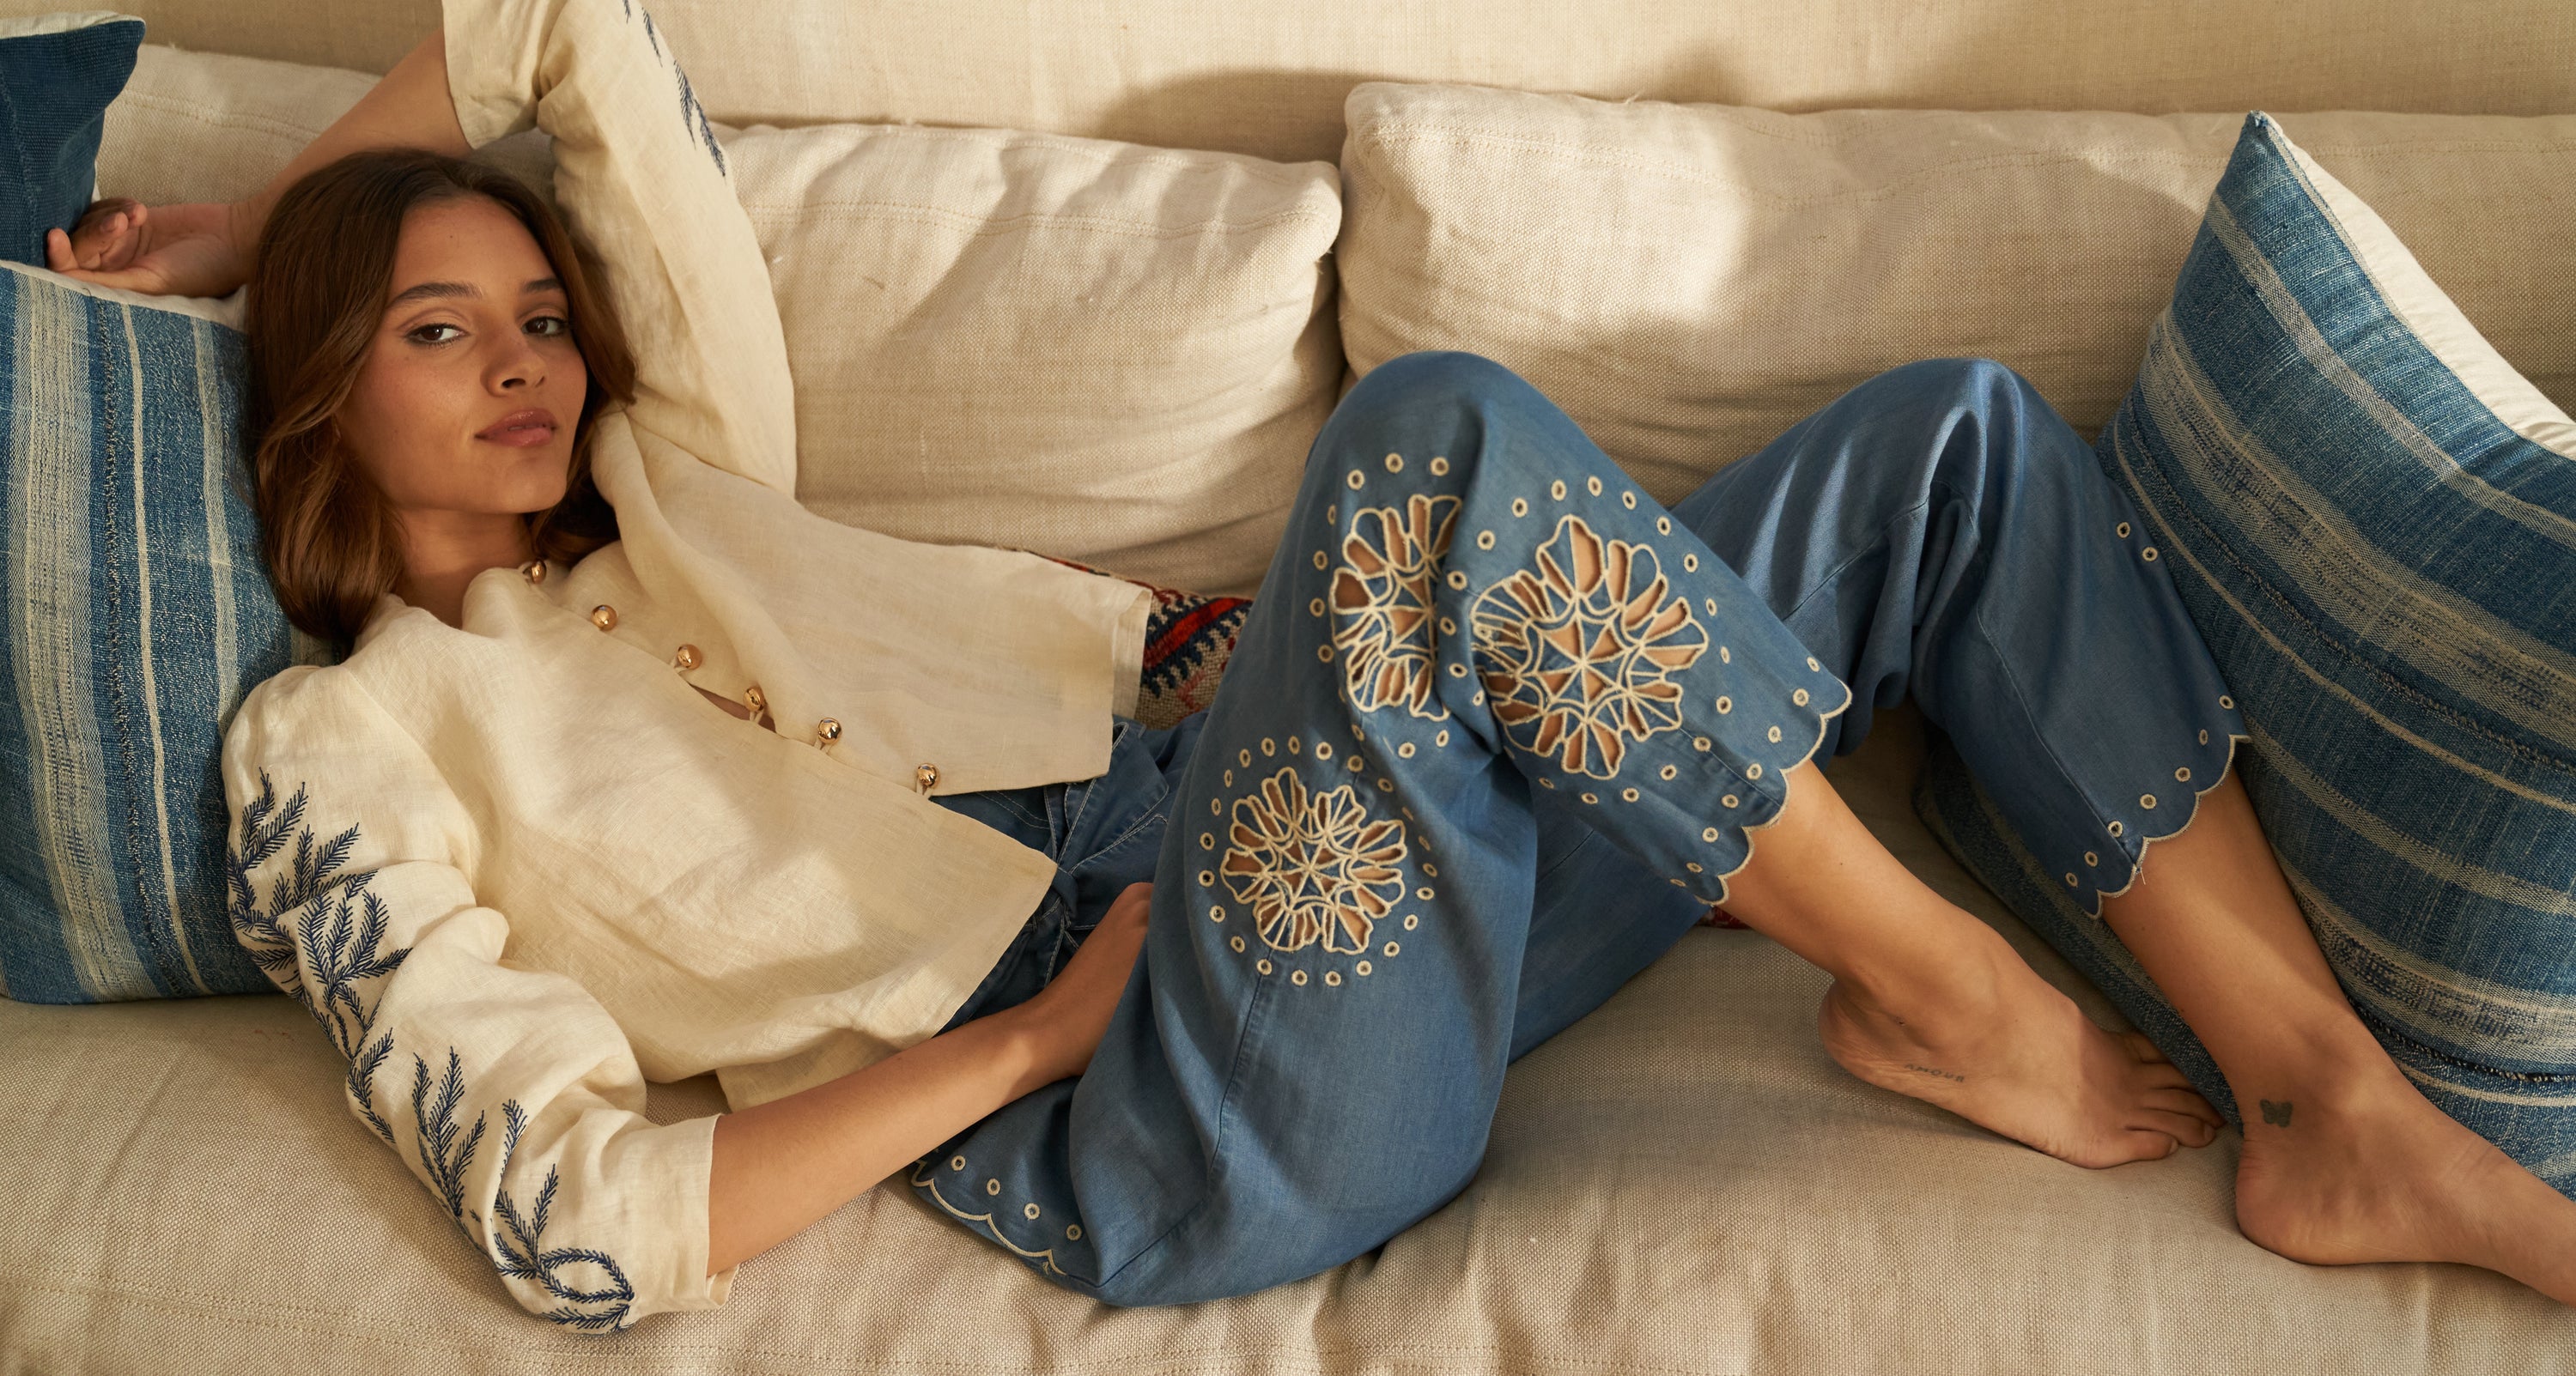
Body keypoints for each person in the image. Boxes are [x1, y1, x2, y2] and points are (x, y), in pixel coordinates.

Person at [54, 0, 2576, 1330]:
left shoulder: (683, 485)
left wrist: (257, 209)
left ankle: (2327, 1100)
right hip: (1155, 1076)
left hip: (1288, 830)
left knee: (1958, 443)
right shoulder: (340, 741)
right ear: (319, 394)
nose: (523, 360)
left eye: (533, 310)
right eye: (427, 327)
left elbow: (557, 15)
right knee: (1440, 446)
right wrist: (1025, 1045)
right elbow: (579, 1215)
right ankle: (1952, 988)